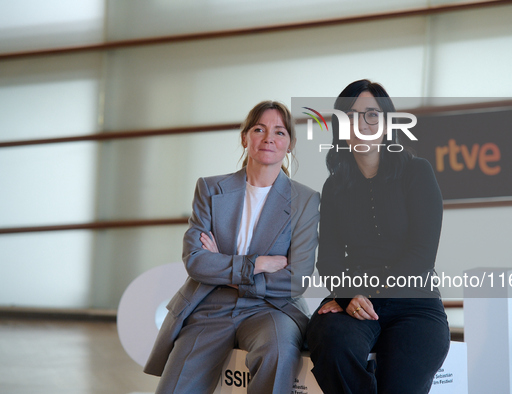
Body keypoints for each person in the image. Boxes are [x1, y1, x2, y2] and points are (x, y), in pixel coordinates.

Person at [143, 101, 320, 394]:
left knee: (278, 352)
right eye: (259, 129)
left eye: (279, 132)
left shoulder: (305, 199)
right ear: (244, 137)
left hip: (272, 308)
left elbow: (296, 279)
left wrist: (224, 265)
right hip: (212, 305)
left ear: (290, 144)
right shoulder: (211, 189)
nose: (269, 138)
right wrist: (258, 264)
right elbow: (196, 261)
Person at [306, 80, 450, 393]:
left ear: (386, 123)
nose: (363, 124)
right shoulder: (334, 187)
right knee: (331, 343)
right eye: (353, 115)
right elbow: (328, 256)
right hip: (355, 300)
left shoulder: (417, 172)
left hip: (415, 302)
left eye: (372, 114)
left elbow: (422, 253)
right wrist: (345, 297)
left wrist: (366, 295)